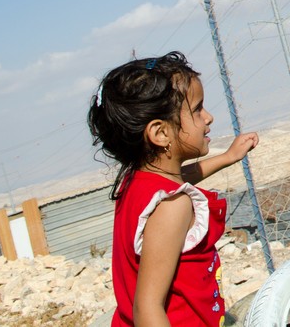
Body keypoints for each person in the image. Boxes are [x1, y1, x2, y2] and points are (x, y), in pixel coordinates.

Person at [88, 52, 258, 327]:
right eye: (197, 109)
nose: (208, 117)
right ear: (160, 133)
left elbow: (178, 178)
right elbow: (148, 309)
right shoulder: (173, 206)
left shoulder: (138, 182)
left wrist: (227, 157)